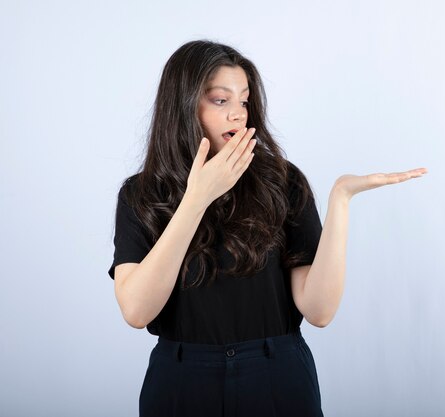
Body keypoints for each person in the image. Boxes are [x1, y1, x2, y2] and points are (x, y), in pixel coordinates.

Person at [107, 39, 427, 417]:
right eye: (220, 100)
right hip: (182, 379)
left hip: (276, 372)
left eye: (243, 101)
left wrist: (340, 200)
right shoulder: (141, 194)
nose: (238, 115)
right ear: (182, 105)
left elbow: (319, 311)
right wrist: (196, 200)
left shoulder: (282, 182)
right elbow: (137, 311)